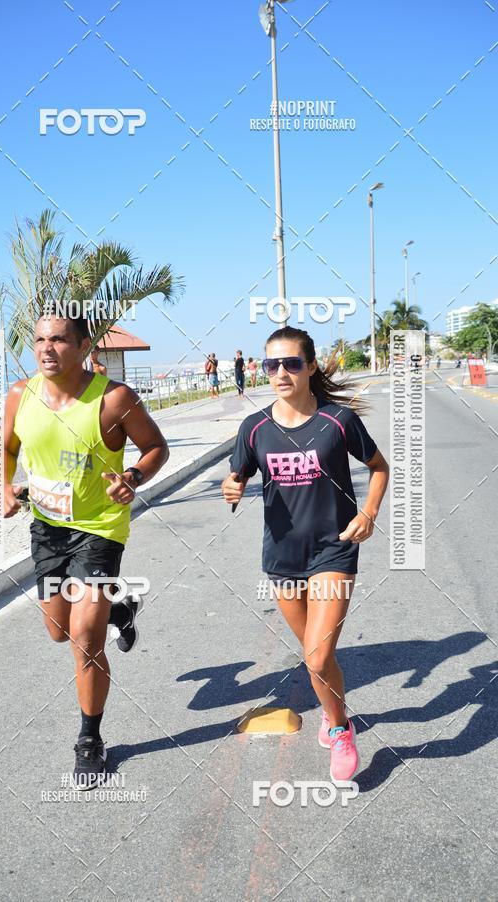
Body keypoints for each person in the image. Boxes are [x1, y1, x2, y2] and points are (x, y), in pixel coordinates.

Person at [3, 307, 169, 789]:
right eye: (39, 341)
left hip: (99, 529)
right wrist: (4, 486)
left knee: (83, 640)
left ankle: (89, 740)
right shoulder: (20, 394)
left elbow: (155, 446)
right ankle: (119, 612)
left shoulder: (114, 400)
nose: (46, 349)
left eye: (57, 340)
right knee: (58, 630)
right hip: (48, 528)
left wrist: (133, 478)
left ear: (82, 346)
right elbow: (8, 444)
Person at [221, 326, 389, 783]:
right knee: (317, 656)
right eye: (270, 364)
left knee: (316, 657)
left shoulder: (338, 421)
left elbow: (378, 468)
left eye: (291, 363)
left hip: (334, 550)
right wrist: (230, 487)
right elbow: (235, 478)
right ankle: (335, 710)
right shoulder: (254, 428)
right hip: (282, 560)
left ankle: (339, 729)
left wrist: (369, 512)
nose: (280, 373)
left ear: (310, 366)